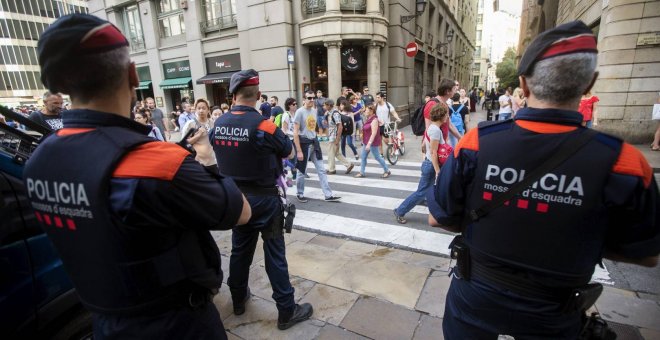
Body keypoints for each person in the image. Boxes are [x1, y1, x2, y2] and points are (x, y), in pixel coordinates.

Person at [23, 14, 252, 339]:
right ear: (132, 73)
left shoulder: (37, 162)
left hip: (103, 322)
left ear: (59, 84)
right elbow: (241, 212)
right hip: (176, 324)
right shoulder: (155, 161)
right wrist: (206, 158)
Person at [427, 21, 660, 339]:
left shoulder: (476, 143)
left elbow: (438, 217)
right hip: (555, 311)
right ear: (590, 83)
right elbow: (646, 254)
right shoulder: (626, 162)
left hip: (476, 296)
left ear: (523, 84)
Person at [211, 69, 314, 331]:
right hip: (265, 200)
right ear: (258, 95)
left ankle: (237, 298)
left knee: (240, 250)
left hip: (235, 198)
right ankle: (286, 310)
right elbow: (289, 151)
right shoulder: (264, 125)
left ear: (233, 96)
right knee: (274, 253)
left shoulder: (218, 124)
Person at [393, 103, 448, 224]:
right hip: (430, 165)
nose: (447, 117)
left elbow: (423, 146)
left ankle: (426, 202)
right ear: (441, 116)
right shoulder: (436, 131)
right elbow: (434, 152)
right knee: (421, 193)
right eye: (446, 114)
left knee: (422, 191)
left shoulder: (431, 128)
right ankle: (400, 211)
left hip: (428, 164)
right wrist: (438, 170)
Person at [293, 90, 341, 203]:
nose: (312, 100)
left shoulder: (314, 111)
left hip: (314, 143)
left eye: (313, 98)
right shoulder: (299, 112)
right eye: (309, 98)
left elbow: (312, 127)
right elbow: (295, 132)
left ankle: (328, 195)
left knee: (322, 170)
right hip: (304, 143)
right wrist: (299, 150)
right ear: (304, 99)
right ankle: (300, 193)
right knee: (301, 170)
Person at [181, 98, 218, 173]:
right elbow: (184, 143)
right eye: (199, 108)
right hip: (198, 162)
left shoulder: (213, 123)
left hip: (213, 161)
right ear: (195, 110)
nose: (201, 110)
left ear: (208, 110)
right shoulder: (190, 124)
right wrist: (198, 135)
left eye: (204, 108)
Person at [354, 104, 391, 178]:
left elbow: (373, 133)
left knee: (377, 157)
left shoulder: (374, 120)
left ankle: (387, 170)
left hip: (372, 142)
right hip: (366, 141)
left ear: (371, 111)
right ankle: (362, 172)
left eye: (366, 110)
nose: (365, 111)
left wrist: (369, 144)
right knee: (363, 157)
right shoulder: (368, 118)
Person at [324, 99, 354, 175]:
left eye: (325, 105)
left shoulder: (335, 114)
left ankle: (332, 169)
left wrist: (337, 139)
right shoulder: (329, 113)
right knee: (336, 153)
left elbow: (340, 126)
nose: (324, 106)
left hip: (334, 137)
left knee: (331, 153)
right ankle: (349, 164)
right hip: (332, 136)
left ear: (329, 105)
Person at [375, 92, 402, 157]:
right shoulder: (375, 105)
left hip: (386, 125)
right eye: (376, 97)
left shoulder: (387, 105)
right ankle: (381, 154)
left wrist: (398, 118)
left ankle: (392, 148)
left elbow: (393, 113)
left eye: (378, 97)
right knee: (379, 141)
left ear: (382, 98)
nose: (377, 99)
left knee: (386, 140)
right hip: (378, 125)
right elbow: (373, 115)